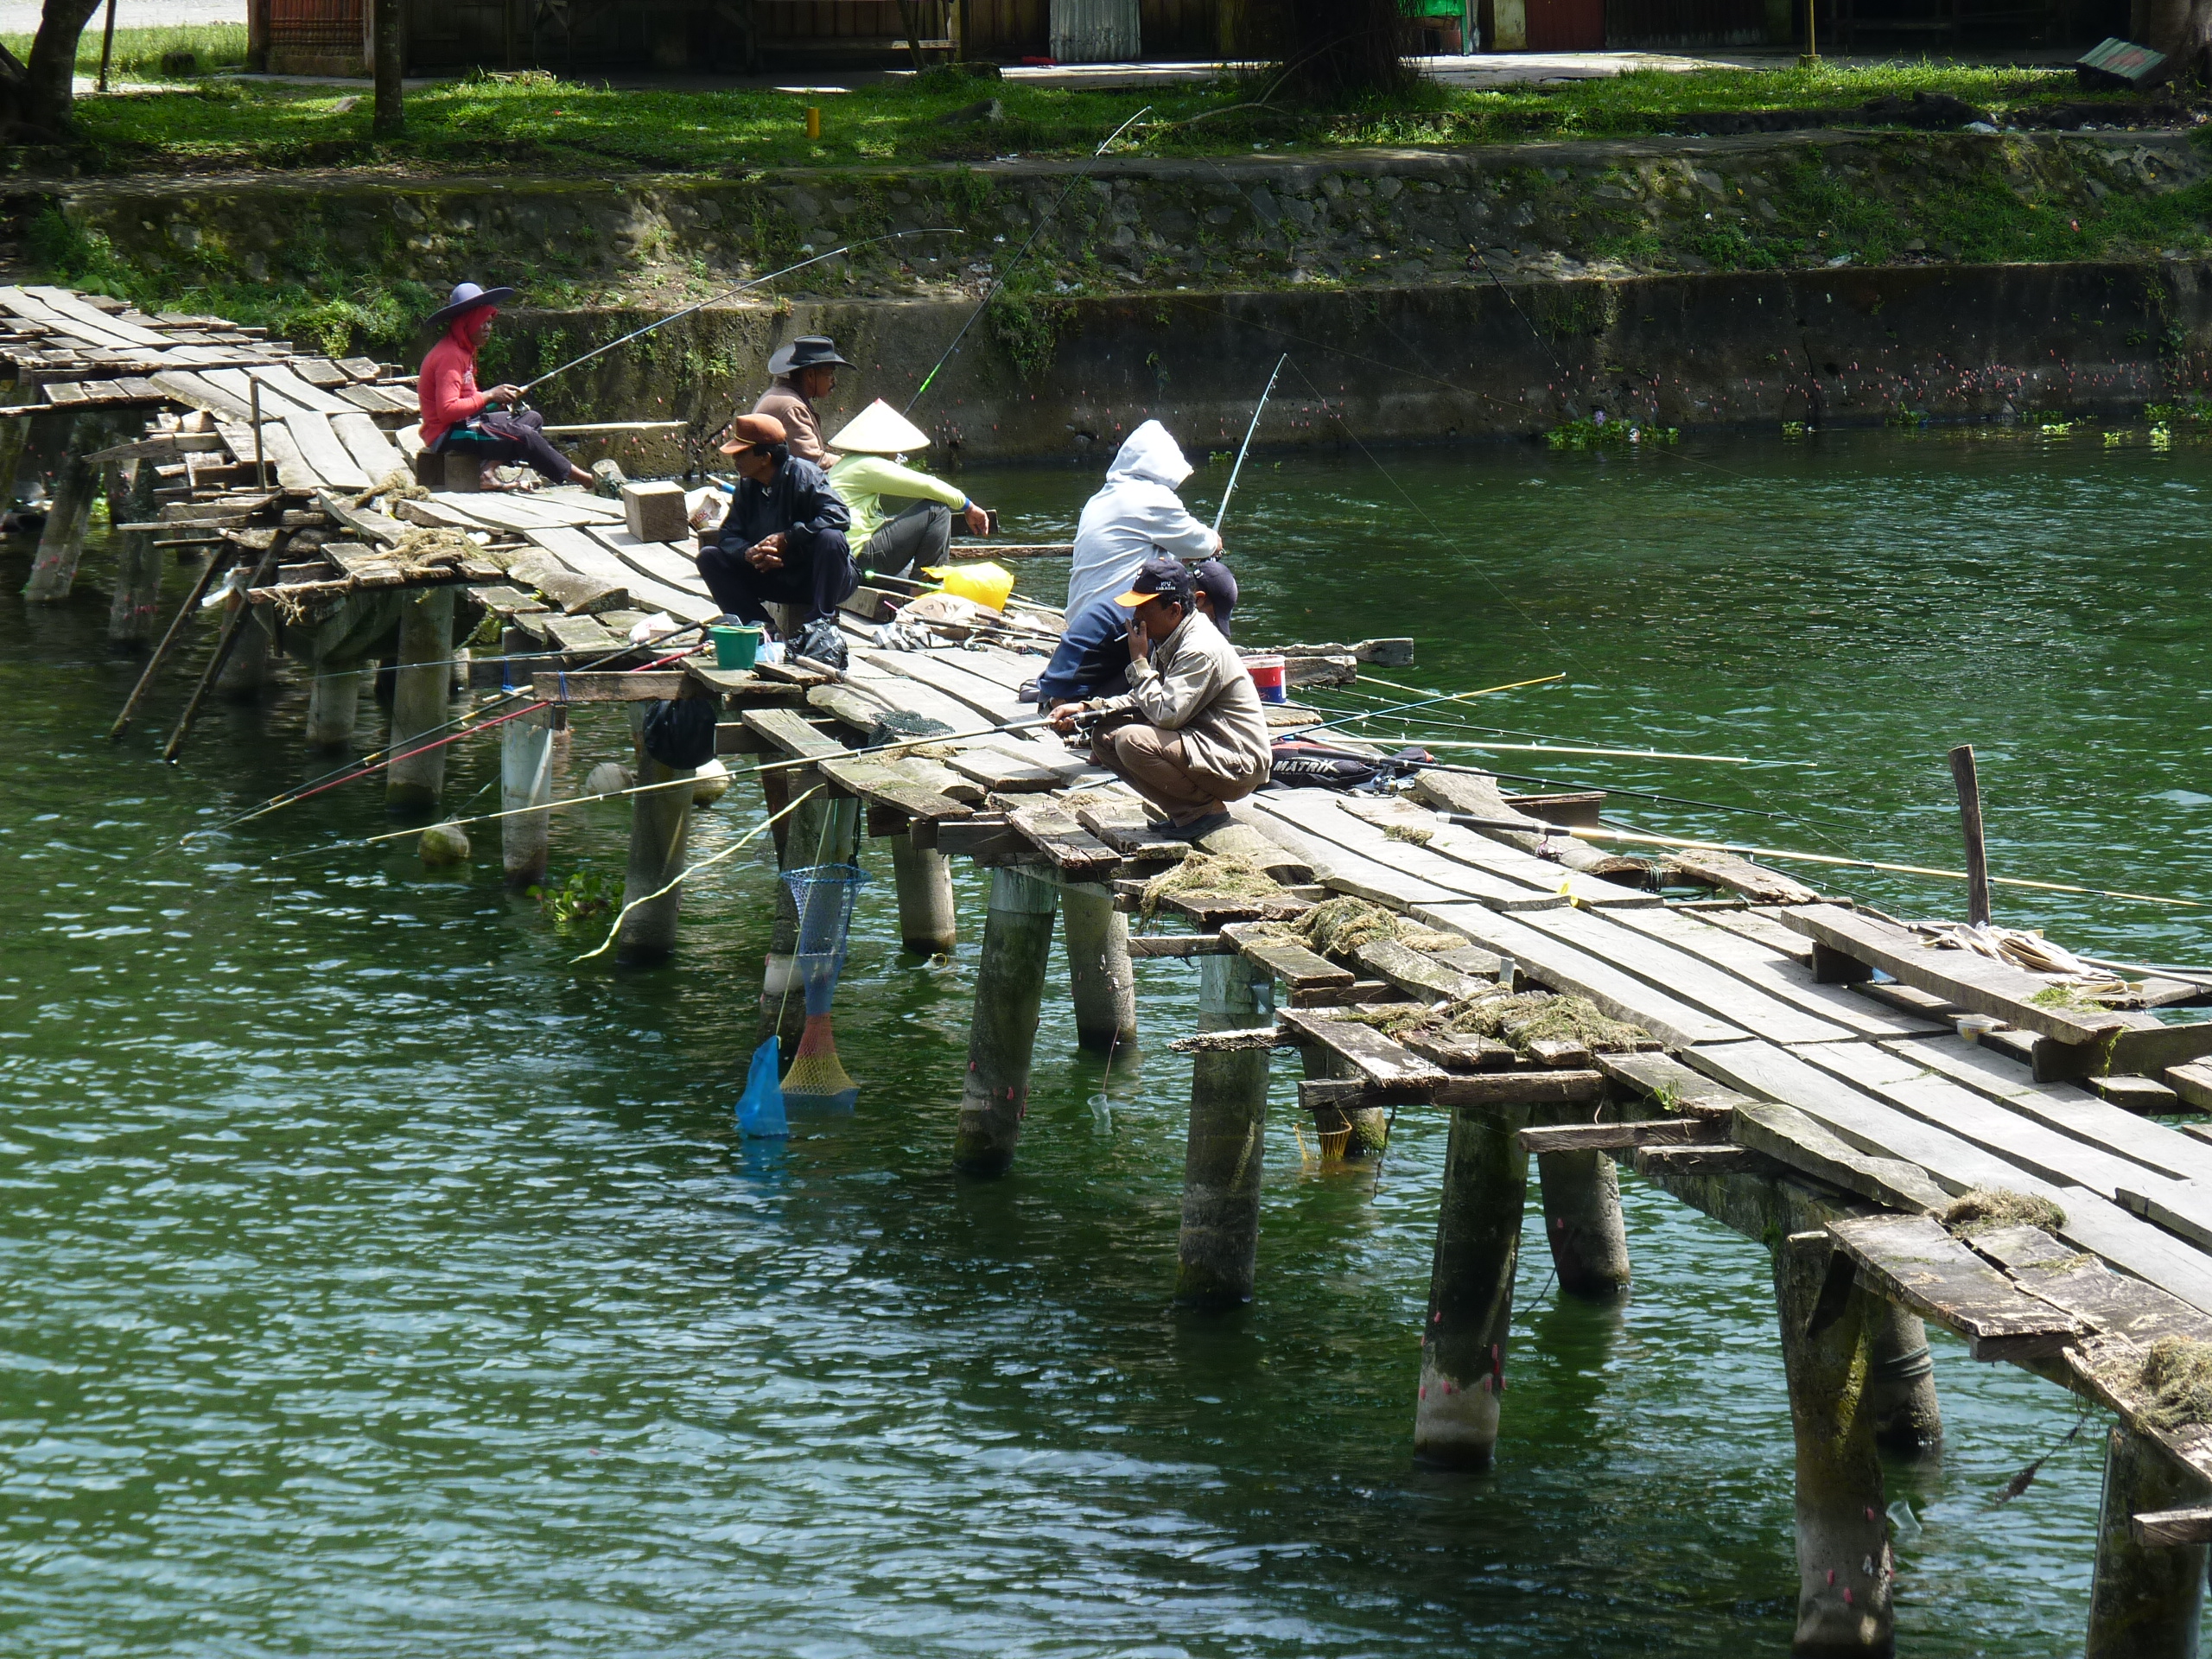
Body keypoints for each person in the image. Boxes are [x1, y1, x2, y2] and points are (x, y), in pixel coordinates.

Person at [1050, 556, 1270, 838]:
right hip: (1203, 748)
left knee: (1130, 740)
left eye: (1143, 608)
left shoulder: (1198, 648)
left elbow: (1166, 715)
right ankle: (1183, 813)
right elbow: (1145, 699)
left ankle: (1204, 812)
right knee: (1104, 738)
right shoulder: (1169, 637)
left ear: (1174, 610)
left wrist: (1138, 661)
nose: (1135, 618)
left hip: (1236, 761)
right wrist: (1086, 708)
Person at [417, 282, 595, 490]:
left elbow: (470, 396)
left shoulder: (465, 350)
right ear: (467, 323)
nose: (488, 328)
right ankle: (586, 480)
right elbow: (447, 411)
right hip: (447, 434)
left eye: (489, 322)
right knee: (524, 435)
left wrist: (495, 402)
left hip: (465, 423)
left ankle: (487, 473)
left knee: (531, 419)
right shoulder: (450, 355)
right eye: (482, 323)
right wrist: (490, 396)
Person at [695, 413, 856, 632]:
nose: (735, 460)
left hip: (814, 579)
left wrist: (788, 539)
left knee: (832, 537)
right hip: (775, 577)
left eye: (741, 453)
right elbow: (728, 535)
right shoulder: (746, 486)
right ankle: (759, 626)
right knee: (709, 557)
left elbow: (839, 516)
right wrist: (749, 552)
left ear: (765, 457)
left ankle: (820, 624)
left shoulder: (805, 475)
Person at [1065, 420, 1222, 622]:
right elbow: (1202, 544)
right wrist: (1215, 541)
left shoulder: (1098, 499)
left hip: (1079, 620)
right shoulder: (1152, 497)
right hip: (1116, 622)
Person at [1034, 556, 1237, 709]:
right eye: (1211, 618)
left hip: (1053, 688)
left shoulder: (1149, 593)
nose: (1136, 614)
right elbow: (1164, 707)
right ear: (1198, 600)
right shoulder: (1150, 618)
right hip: (1064, 698)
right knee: (1149, 661)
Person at [823, 399, 992, 579]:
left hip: (841, 558)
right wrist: (969, 507)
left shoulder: (846, 462)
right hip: (857, 558)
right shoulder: (867, 465)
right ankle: (926, 585)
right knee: (937, 509)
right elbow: (928, 485)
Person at [752, 336, 852, 466]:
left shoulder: (781, 394)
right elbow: (813, 462)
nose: (833, 380)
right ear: (810, 375)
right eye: (829, 374)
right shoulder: (793, 408)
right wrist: (850, 464)